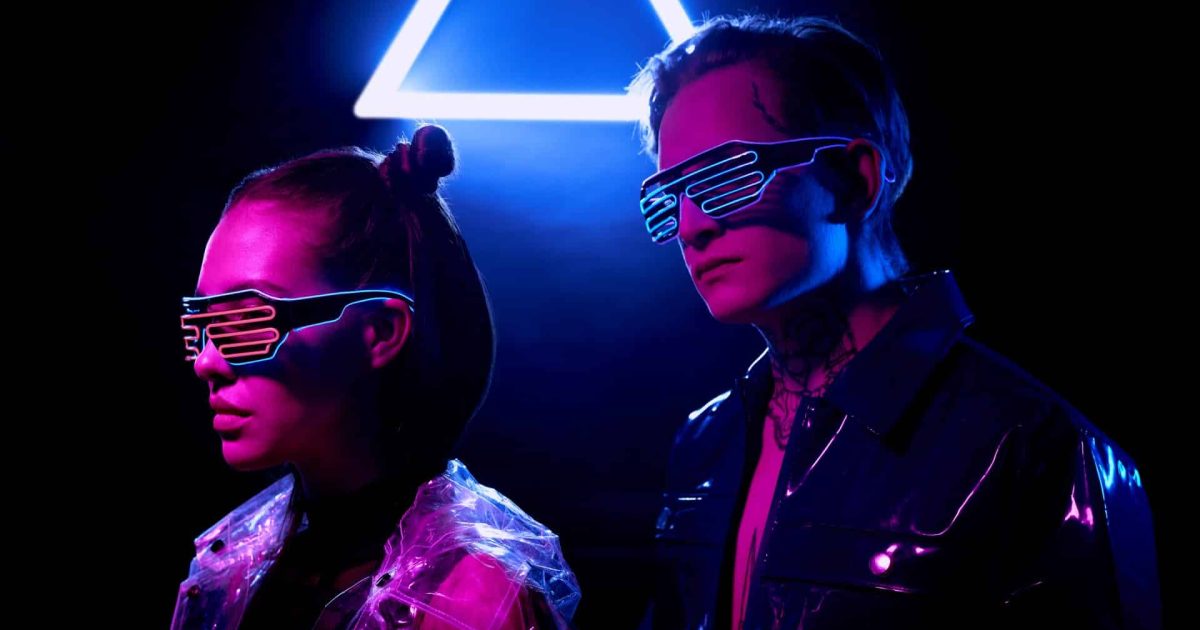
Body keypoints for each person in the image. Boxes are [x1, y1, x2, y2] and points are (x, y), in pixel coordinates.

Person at [629, 15, 1160, 629]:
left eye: (727, 176)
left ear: (856, 179)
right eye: (669, 197)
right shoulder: (705, 442)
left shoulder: (1030, 446)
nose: (692, 226)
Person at [170, 124, 579, 629]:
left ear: (380, 331)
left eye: (247, 322)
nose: (205, 361)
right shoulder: (232, 561)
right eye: (202, 325)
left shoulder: (469, 594)